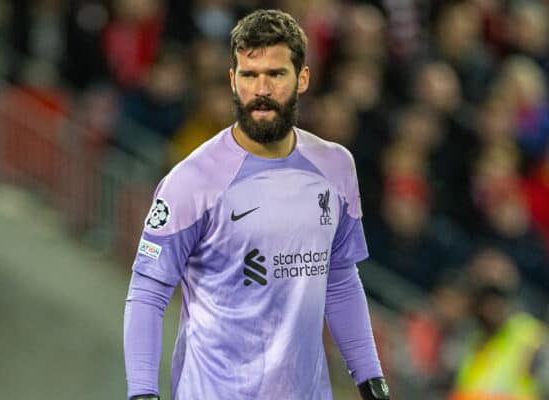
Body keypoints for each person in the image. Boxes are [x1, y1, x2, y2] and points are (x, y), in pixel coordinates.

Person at [123, 9, 390, 400]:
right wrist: (142, 392)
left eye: (275, 75)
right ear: (232, 80)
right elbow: (147, 291)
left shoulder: (336, 168)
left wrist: (371, 379)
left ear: (302, 79)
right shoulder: (191, 180)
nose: (261, 90)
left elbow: (340, 277)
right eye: (249, 75)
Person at [449, 248, 549, 400]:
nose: (491, 307)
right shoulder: (469, 337)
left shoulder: (531, 334)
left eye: (496, 299)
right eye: (484, 300)